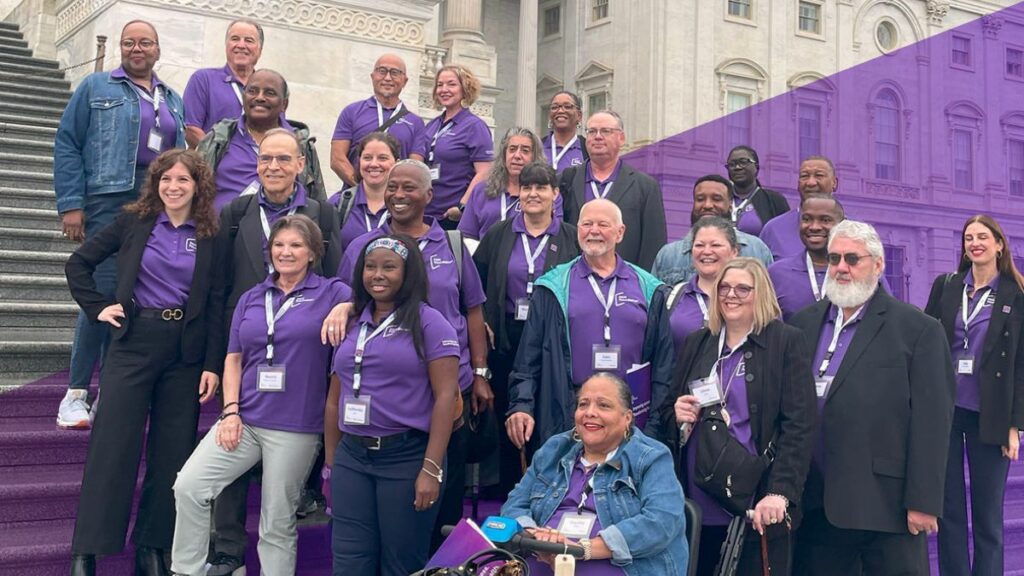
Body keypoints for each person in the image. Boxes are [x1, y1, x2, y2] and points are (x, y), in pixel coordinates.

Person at [64, 149, 224, 576]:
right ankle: (87, 550)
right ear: (155, 183)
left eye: (183, 180)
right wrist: (99, 306)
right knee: (112, 447)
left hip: (184, 354)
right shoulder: (134, 222)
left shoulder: (210, 233)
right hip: (133, 342)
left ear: (198, 186)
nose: (173, 187)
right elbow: (80, 263)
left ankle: (151, 547)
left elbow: (216, 303)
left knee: (171, 454)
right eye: (166, 179)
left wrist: (211, 363)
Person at [170, 215, 350, 576]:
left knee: (276, 521)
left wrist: (348, 307)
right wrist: (230, 411)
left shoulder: (333, 292)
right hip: (246, 419)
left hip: (295, 426)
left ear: (313, 252)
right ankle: (186, 569)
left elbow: (367, 306)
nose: (286, 252)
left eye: (296, 245)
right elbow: (233, 358)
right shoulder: (252, 297)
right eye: (279, 245)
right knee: (188, 486)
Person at [328, 159, 491, 550]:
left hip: (448, 393)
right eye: (392, 187)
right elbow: (346, 298)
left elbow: (472, 310)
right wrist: (339, 306)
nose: (399, 195)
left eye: (409, 188)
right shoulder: (362, 246)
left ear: (429, 196)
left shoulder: (451, 245)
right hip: (383, 395)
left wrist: (482, 373)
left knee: (442, 502)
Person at [207, 127, 341, 575]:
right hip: (244, 343)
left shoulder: (321, 212)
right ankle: (227, 549)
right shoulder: (237, 210)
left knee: (283, 475)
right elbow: (218, 285)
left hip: (300, 350)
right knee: (229, 452)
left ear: (301, 164)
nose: (274, 167)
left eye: (284, 159)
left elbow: (339, 278)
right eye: (266, 159)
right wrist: (217, 357)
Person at [789, 220, 955, 576]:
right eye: (834, 259)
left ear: (877, 265)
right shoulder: (802, 324)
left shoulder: (919, 329)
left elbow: (933, 422)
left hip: (886, 507)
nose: (841, 268)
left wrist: (924, 502)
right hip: (815, 503)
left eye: (852, 258)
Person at [54, 19, 185, 429]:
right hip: (108, 204)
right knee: (105, 293)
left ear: (158, 49)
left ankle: (109, 391)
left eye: (145, 42)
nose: (136, 48)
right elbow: (67, 143)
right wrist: (72, 204)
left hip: (154, 206)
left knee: (132, 295)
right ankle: (76, 393)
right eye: (129, 43)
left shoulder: (173, 98)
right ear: (121, 49)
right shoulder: (95, 87)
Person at [666, 258, 816, 575]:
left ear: (760, 293)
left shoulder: (785, 341)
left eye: (742, 289)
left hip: (757, 498)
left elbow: (799, 426)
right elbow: (668, 411)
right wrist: (677, 414)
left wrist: (780, 492)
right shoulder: (698, 342)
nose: (731, 295)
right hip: (699, 493)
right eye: (724, 287)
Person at [324, 234, 460, 575]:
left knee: (401, 563)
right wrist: (331, 464)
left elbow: (447, 398)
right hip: (353, 458)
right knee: (349, 561)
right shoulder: (352, 320)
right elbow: (333, 399)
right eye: (370, 267)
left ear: (408, 272)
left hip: (406, 457)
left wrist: (431, 468)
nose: (377, 275)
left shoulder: (430, 323)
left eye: (389, 267)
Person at [506, 199, 674, 454]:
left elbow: (663, 365)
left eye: (603, 224)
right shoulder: (552, 286)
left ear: (620, 232)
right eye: (587, 224)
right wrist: (521, 405)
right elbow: (527, 359)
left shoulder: (649, 288)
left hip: (629, 419)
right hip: (568, 414)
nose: (593, 230)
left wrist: (654, 426)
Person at [501, 373, 689, 575]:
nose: (590, 412)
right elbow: (514, 505)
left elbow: (661, 522)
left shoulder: (651, 458)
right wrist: (537, 540)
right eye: (583, 404)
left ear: (627, 418)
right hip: (543, 562)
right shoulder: (554, 450)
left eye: (604, 405)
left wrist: (581, 550)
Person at [924, 215, 1024, 576]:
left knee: (987, 516)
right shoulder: (947, 286)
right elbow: (927, 341)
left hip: (990, 414)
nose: (975, 243)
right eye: (969, 237)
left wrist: (1015, 424)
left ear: (999, 244)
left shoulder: (1016, 292)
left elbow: (1021, 365)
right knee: (949, 511)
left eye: (983, 236)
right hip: (946, 411)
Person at [473, 161, 581, 495]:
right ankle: (511, 495)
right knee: (511, 418)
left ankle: (551, 493)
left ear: (555, 194)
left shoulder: (571, 237)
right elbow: (476, 285)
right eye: (527, 187)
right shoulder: (499, 233)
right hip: (506, 339)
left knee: (548, 418)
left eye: (541, 187)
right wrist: (484, 322)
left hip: (550, 342)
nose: (533, 194)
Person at [197, 69, 326, 210]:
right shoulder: (219, 137)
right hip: (222, 229)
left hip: (284, 228)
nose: (259, 97)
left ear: (284, 104)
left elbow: (318, 202)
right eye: (252, 91)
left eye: (269, 93)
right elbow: (193, 189)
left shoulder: (301, 144)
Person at [560, 110, 666, 271]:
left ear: (621, 138)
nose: (597, 136)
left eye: (605, 131)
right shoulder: (565, 181)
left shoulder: (645, 186)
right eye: (592, 131)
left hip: (624, 286)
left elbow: (653, 246)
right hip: (573, 282)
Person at [651, 175, 772, 286]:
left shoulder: (757, 249)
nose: (707, 205)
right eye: (700, 199)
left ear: (730, 204)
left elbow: (768, 302)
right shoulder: (668, 255)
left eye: (716, 199)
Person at [330, 54, 426, 186]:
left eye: (395, 73)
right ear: (372, 76)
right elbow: (337, 159)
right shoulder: (351, 112)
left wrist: (391, 193)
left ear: (405, 81)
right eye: (382, 71)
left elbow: (415, 167)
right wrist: (362, 189)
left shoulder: (416, 122)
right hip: (356, 199)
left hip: (394, 201)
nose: (387, 78)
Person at [420, 64, 494, 229]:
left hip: (453, 217)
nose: (444, 89)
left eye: (451, 84)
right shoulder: (432, 125)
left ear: (465, 88)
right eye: (440, 85)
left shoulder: (475, 126)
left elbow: (485, 171)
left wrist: (462, 206)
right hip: (426, 214)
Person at [458, 127, 558, 241]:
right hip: (484, 256)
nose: (517, 156)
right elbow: (466, 236)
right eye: (512, 149)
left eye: (525, 151)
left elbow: (555, 235)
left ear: (535, 157)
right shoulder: (481, 190)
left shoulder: (546, 194)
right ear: (504, 155)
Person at [182, 19, 263, 148]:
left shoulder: (267, 89)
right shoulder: (204, 79)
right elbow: (190, 128)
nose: (241, 45)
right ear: (226, 45)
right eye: (235, 39)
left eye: (249, 40)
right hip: (213, 165)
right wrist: (218, 157)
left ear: (259, 49)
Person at [665, 216, 738, 351]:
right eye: (699, 245)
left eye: (715, 245)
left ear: (734, 252)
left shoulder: (749, 298)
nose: (706, 251)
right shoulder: (672, 297)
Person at [768, 195, 845, 321]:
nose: (814, 227)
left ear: (842, 225)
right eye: (807, 219)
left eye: (825, 220)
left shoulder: (859, 272)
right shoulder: (776, 273)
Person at [759, 156, 839, 260]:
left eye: (819, 175)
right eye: (804, 176)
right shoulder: (773, 229)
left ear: (835, 183)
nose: (811, 183)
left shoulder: (855, 229)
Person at [331, 132, 399, 252]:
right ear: (359, 162)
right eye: (367, 158)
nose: (373, 164)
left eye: (382, 158)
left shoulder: (405, 207)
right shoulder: (338, 204)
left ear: (396, 163)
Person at [724, 145, 789, 237]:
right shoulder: (721, 199)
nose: (737, 167)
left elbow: (785, 236)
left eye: (743, 162)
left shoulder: (774, 200)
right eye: (732, 164)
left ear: (757, 167)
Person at [541, 91, 587, 173]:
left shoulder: (587, 148)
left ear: (579, 115)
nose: (560, 111)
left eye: (567, 106)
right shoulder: (538, 146)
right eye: (554, 107)